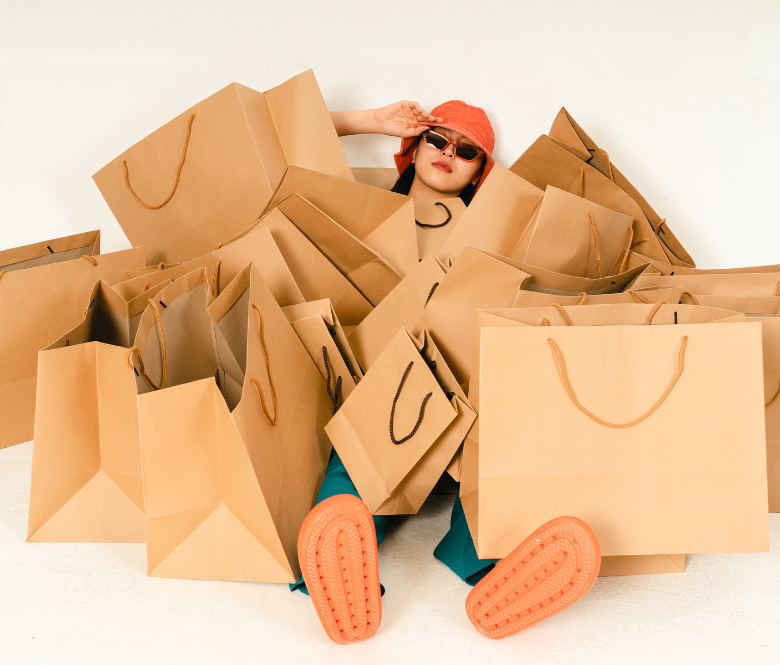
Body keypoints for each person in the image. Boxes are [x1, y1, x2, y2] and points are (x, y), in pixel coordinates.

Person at [293, 100, 600, 645]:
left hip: (468, 389)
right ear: (413, 147)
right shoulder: (363, 207)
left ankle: (489, 567)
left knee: (505, 431)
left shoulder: (494, 233)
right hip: (385, 383)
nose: (448, 154)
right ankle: (339, 550)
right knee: (369, 450)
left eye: (467, 151)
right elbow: (282, 142)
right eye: (438, 139)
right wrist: (372, 123)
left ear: (482, 171)